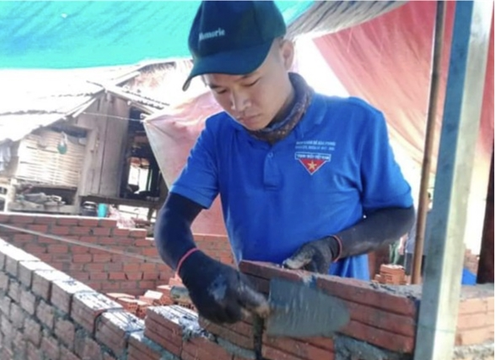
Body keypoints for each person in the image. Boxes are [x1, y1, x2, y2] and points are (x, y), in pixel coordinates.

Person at [155, 1, 415, 325]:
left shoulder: (355, 123)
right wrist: (194, 267)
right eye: (218, 89)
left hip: (338, 325)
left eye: (250, 82)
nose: (238, 104)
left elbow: (400, 214)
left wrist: (333, 246)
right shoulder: (219, 136)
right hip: (263, 321)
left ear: (286, 54)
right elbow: (171, 220)